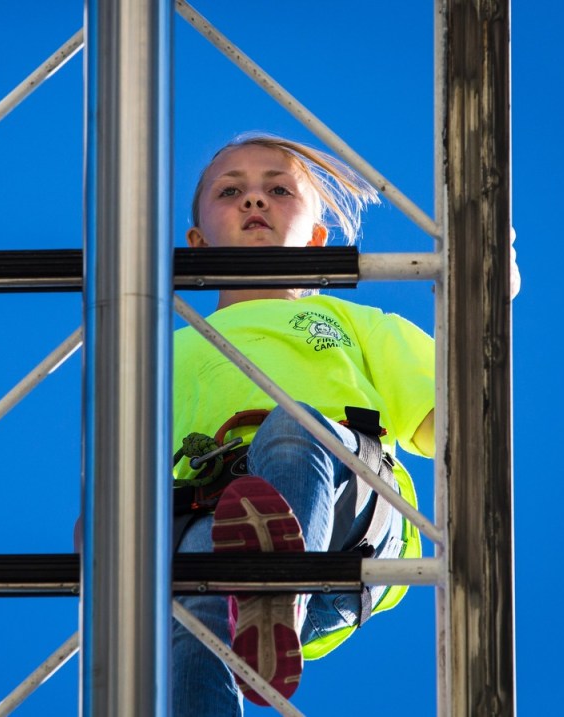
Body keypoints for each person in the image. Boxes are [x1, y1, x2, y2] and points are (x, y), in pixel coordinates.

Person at [171, 133, 435, 714]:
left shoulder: (357, 322)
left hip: (345, 512)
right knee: (194, 621)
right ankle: (255, 601)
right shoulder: (165, 354)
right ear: (196, 243)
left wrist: (489, 302)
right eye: (231, 190)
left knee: (292, 429)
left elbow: (457, 419)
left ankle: (276, 588)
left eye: (278, 189)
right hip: (212, 517)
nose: (254, 201)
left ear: (317, 238)